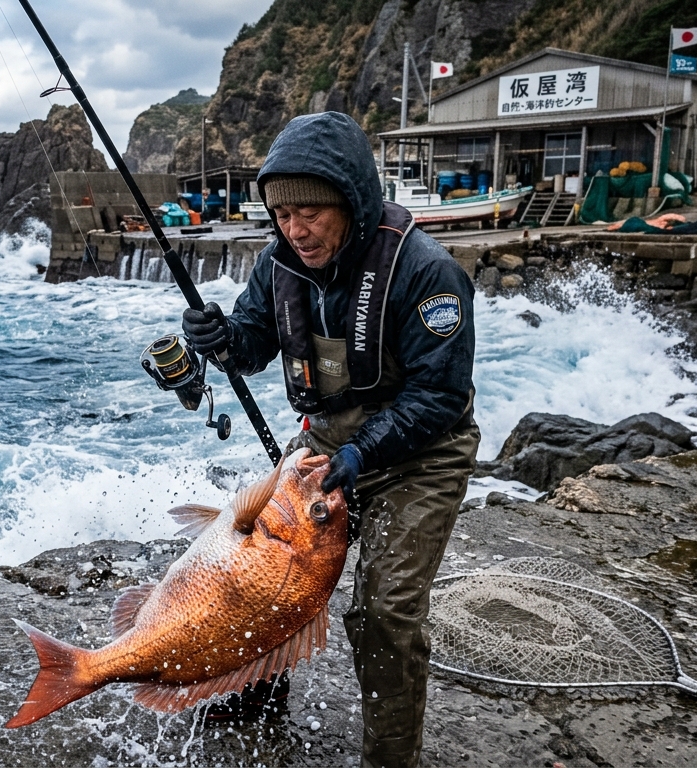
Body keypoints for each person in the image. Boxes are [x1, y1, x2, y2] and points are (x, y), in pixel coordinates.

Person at [181, 111, 479, 768]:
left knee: (385, 615)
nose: (296, 228)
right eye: (283, 213)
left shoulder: (426, 273)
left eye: (312, 211)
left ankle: (388, 759)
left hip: (419, 454)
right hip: (325, 441)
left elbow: (442, 396)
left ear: (352, 201)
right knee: (247, 569)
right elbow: (253, 344)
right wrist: (220, 337)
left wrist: (364, 453)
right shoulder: (279, 265)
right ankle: (251, 693)